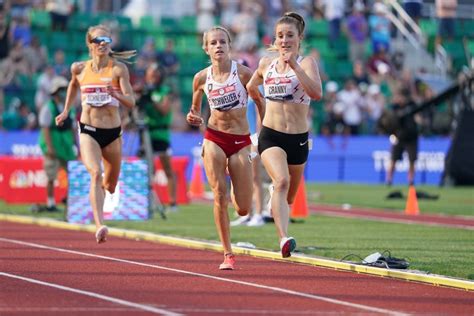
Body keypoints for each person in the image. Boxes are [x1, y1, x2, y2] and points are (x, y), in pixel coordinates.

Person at [186, 26, 264, 270]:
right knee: (218, 195)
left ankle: (235, 189)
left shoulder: (243, 74)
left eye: (222, 42)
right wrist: (193, 116)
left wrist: (263, 134)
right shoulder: (200, 78)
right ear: (206, 48)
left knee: (242, 208)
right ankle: (228, 254)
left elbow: (261, 102)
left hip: (240, 140)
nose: (218, 46)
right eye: (213, 43)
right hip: (214, 138)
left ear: (229, 46)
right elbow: (195, 109)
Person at [247, 12, 322, 258]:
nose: (284, 40)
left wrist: (295, 66)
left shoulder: (307, 62)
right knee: (281, 181)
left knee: (289, 196)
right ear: (275, 39)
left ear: (299, 38)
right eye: (280, 36)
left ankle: (275, 202)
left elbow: (316, 93)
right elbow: (251, 86)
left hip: (298, 138)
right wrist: (260, 106)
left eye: (290, 35)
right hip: (271, 135)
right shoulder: (265, 63)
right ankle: (283, 239)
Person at [55, 24, 136, 243]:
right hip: (88, 129)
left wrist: (116, 94)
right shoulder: (79, 69)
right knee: (94, 173)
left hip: (112, 133)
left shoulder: (118, 69)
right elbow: (73, 86)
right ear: (89, 44)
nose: (102, 44)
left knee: (110, 184)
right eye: (98, 40)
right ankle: (99, 225)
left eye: (106, 40)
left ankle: (106, 195)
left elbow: (131, 101)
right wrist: (65, 111)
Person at [137, 63, 177, 212]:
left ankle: (172, 203)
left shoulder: (164, 91)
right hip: (146, 132)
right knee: (147, 168)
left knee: (167, 168)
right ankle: (147, 201)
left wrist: (152, 99)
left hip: (161, 134)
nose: (153, 77)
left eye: (155, 74)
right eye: (150, 74)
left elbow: (164, 111)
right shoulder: (144, 90)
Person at [38, 76, 76, 212]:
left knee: (73, 173)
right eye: (61, 89)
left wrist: (75, 144)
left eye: (65, 89)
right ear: (54, 91)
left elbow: (73, 128)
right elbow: (45, 129)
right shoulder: (48, 107)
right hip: (53, 144)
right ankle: (50, 203)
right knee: (51, 175)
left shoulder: (69, 107)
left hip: (66, 145)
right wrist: (49, 147)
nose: (64, 92)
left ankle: (69, 199)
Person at [385, 87, 419, 186]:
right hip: (399, 137)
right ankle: (389, 180)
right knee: (393, 159)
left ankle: (411, 180)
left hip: (411, 137)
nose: (398, 99)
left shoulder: (412, 106)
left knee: (412, 160)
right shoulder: (395, 108)